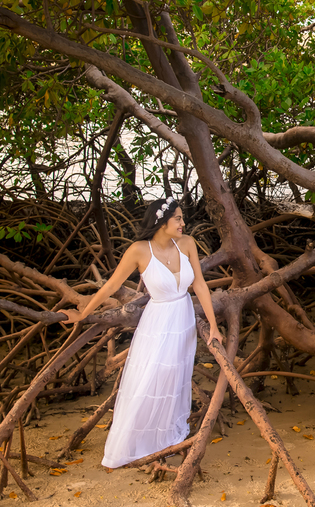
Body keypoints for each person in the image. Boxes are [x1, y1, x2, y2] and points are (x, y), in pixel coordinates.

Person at [61, 197, 222, 468]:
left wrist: (214, 326)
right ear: (161, 222)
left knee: (175, 376)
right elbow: (111, 286)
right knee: (149, 378)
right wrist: (83, 314)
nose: (184, 223)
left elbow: (201, 286)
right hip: (157, 322)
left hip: (182, 318)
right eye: (178, 219)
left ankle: (167, 438)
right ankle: (135, 443)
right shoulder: (139, 250)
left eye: (183, 218)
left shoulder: (188, 244)